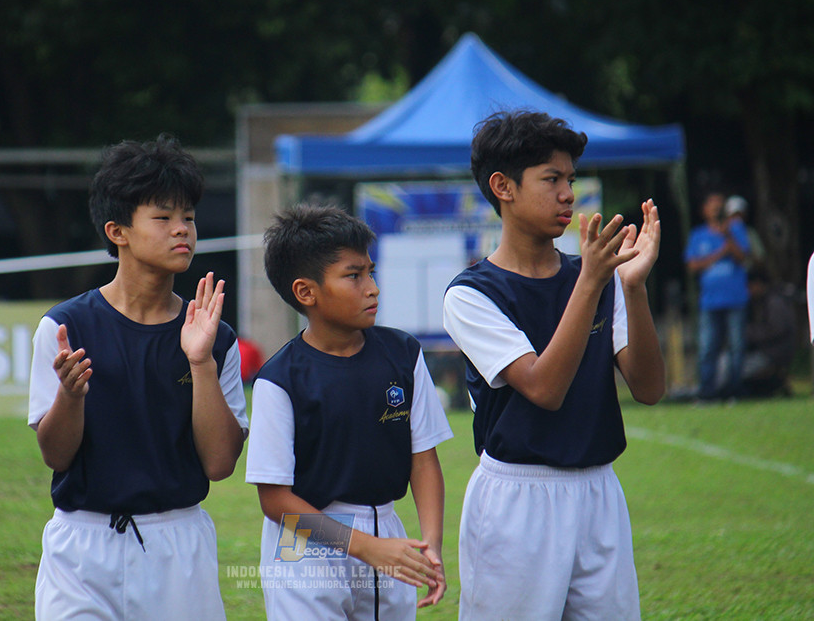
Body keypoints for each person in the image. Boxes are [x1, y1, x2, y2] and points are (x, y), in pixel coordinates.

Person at [443, 111, 665, 620]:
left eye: (570, 179)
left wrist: (632, 286)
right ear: (503, 187)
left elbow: (650, 388)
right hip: (517, 497)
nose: (569, 194)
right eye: (551, 179)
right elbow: (544, 389)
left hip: (598, 489)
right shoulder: (472, 294)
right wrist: (592, 281)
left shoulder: (600, 277)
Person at [28, 135, 248, 620]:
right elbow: (56, 455)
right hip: (82, 547)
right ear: (117, 231)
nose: (183, 230)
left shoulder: (215, 336)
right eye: (164, 217)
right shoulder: (65, 328)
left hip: (178, 543)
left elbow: (219, 463)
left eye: (188, 217)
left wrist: (201, 363)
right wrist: (69, 395)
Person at [246, 203, 453, 620]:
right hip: (305, 541)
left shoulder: (403, 354)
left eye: (370, 272)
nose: (372, 287)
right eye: (353, 276)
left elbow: (423, 459)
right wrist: (366, 547)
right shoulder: (279, 379)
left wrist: (429, 546)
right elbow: (274, 501)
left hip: (387, 531)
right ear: (306, 292)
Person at [684, 190, 751, 399]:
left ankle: (734, 391)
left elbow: (743, 257)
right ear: (704, 210)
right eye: (711, 204)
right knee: (707, 348)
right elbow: (693, 266)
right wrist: (720, 253)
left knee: (736, 347)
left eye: (719, 204)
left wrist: (728, 235)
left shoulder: (736, 229)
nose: (716, 208)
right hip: (710, 301)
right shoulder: (698, 235)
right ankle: (707, 392)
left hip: (736, 298)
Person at [738, 269, 796, 396]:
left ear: (758, 284)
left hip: (774, 352)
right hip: (771, 351)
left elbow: (776, 329)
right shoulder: (762, 302)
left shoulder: (774, 302)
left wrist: (749, 333)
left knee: (736, 369)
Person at [724, 195, 765, 271]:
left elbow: (760, 258)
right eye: (734, 215)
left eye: (740, 215)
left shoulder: (750, 232)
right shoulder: (719, 232)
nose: (737, 219)